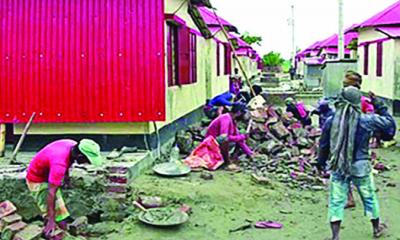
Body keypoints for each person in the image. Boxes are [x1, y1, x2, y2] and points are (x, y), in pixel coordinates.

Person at [317, 86, 394, 239]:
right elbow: (389, 123)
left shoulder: (331, 121)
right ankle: (376, 229)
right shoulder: (367, 120)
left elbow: (323, 145)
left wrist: (320, 164)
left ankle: (335, 236)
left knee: (336, 201)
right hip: (361, 166)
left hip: (338, 166)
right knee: (369, 198)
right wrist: (378, 103)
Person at [26, 139, 103, 238]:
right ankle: (51, 231)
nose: (86, 163)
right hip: (37, 180)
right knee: (55, 216)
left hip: (49, 174)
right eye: (87, 160)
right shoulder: (59, 164)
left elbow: (68, 160)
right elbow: (51, 193)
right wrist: (51, 220)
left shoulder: (72, 146)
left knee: (61, 214)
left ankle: (57, 232)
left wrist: (66, 177)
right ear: (80, 156)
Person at [205, 103, 254, 167]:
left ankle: (233, 158)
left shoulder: (232, 120)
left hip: (217, 142)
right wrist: (242, 137)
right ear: (239, 113)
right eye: (243, 113)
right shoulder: (226, 119)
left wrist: (250, 153)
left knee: (239, 138)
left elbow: (239, 139)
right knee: (225, 140)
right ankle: (227, 162)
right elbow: (224, 137)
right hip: (210, 143)